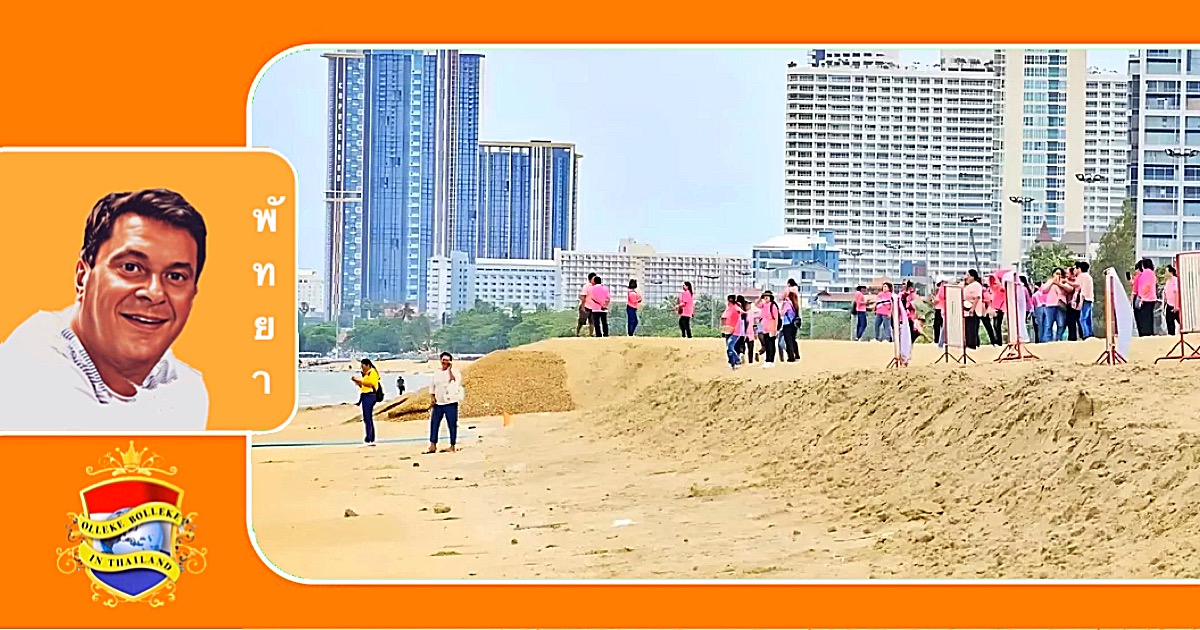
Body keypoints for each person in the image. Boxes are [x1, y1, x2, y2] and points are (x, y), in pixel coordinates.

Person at [0, 189, 209, 430]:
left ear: (193, 292)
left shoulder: (186, 388)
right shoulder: (27, 371)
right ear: (82, 277)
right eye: (131, 267)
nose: (154, 293)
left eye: (175, 276)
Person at [426, 352, 464, 454]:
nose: (445, 362)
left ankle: (452, 445)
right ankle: (433, 445)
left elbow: (454, 381)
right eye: (443, 360)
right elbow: (432, 386)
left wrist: (450, 370)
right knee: (434, 424)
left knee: (452, 424)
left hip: (451, 402)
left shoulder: (455, 372)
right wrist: (432, 397)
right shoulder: (436, 373)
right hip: (439, 403)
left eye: (447, 360)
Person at [351, 358, 381, 446]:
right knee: (367, 417)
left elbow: (371, 384)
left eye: (363, 366)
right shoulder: (366, 374)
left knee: (367, 417)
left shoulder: (372, 372)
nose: (362, 368)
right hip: (365, 395)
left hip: (370, 395)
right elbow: (363, 386)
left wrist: (361, 381)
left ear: (368, 365)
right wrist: (356, 381)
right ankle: (370, 437)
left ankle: (369, 438)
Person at [1132, 258, 1159, 337]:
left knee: (1144, 318)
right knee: (1148, 317)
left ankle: (1145, 333)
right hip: (1150, 299)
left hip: (1146, 299)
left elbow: (1145, 286)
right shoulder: (1152, 273)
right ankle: (1148, 332)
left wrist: (1141, 297)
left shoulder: (1146, 273)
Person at [720, 295, 745, 370]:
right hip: (728, 330)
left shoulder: (735, 307)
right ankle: (732, 363)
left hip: (735, 331)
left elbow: (742, 312)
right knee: (729, 348)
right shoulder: (729, 309)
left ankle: (736, 361)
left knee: (730, 347)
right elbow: (723, 318)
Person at [963, 270, 985, 349]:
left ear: (973, 277)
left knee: (972, 327)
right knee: (969, 327)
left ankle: (972, 344)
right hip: (966, 309)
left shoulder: (976, 285)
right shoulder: (969, 286)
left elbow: (977, 297)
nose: (967, 277)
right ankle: (970, 343)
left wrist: (972, 309)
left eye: (968, 276)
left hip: (973, 310)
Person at [757, 292, 780, 368]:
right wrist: (760, 298)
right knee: (766, 344)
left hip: (772, 327)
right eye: (765, 296)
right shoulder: (764, 305)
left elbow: (776, 318)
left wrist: (775, 329)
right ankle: (767, 360)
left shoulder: (773, 306)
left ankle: (771, 360)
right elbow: (757, 305)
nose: (766, 298)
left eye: (768, 296)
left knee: (771, 344)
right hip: (765, 328)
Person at [780, 278, 801, 361]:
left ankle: (791, 357)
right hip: (794, 324)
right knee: (793, 340)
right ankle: (797, 355)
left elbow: (782, 313)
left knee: (788, 341)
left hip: (787, 324)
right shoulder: (795, 305)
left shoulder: (787, 304)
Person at [1074, 262, 1095, 340]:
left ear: (1079, 268)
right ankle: (1090, 333)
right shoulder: (1089, 276)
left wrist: (1066, 281)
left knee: (1083, 318)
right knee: (1088, 318)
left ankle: (1086, 335)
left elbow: (1077, 285)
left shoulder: (1081, 276)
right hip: (1090, 299)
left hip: (1085, 299)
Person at [1165, 264, 1181, 336]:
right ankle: (1171, 335)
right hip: (1169, 304)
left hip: (1175, 305)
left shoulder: (1176, 280)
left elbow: (1177, 293)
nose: (1165, 273)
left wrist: (1176, 305)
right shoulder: (1168, 281)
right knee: (1169, 322)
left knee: (1180, 321)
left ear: (1170, 272)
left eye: (1166, 271)